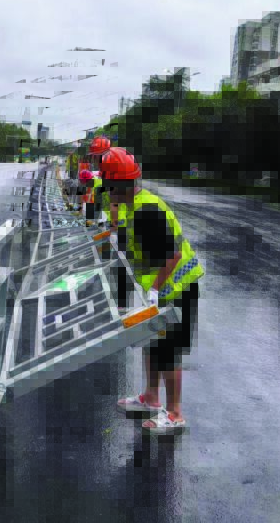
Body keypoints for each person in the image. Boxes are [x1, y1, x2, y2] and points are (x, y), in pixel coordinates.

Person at [100, 147, 205, 434]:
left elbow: (173, 254)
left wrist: (156, 289)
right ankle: (150, 398)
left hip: (177, 287)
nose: (107, 192)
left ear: (120, 185)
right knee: (152, 340)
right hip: (161, 288)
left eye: (109, 186)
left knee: (169, 350)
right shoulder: (131, 205)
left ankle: (174, 413)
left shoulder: (147, 210)